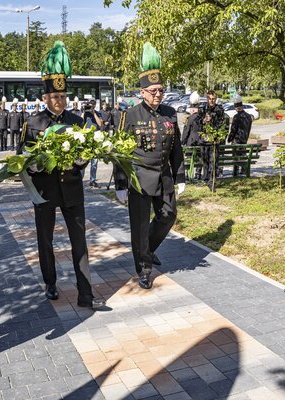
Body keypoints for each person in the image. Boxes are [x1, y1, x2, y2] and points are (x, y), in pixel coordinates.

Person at [19, 41, 105, 310]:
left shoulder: (77, 122)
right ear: (44, 98)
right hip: (45, 191)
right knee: (45, 239)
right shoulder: (33, 124)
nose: (59, 101)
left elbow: (86, 152)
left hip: (71, 189)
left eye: (63, 96)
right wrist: (41, 164)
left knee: (79, 240)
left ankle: (85, 293)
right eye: (55, 97)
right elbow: (23, 159)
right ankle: (50, 282)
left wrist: (77, 162)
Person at [114, 42, 185, 289]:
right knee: (140, 225)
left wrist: (180, 176)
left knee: (168, 216)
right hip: (139, 177)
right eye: (153, 90)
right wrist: (121, 183)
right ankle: (144, 268)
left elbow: (176, 147)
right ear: (142, 92)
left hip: (164, 175)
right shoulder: (130, 115)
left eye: (161, 90)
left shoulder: (169, 113)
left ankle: (148, 248)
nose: (157, 95)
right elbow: (119, 151)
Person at [181, 92, 205, 180]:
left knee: (189, 158)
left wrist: (182, 141)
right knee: (199, 158)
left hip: (191, 142)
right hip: (201, 142)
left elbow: (186, 132)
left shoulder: (190, 118)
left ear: (193, 109)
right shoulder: (202, 117)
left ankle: (189, 174)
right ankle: (198, 174)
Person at [82, 99, 104, 188]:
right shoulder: (85, 113)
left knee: (94, 162)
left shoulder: (98, 113)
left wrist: (93, 113)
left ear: (95, 106)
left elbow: (100, 124)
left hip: (95, 139)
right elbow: (79, 121)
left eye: (92, 105)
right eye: (90, 105)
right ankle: (80, 179)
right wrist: (84, 111)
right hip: (85, 139)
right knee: (82, 160)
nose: (90, 107)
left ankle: (93, 180)